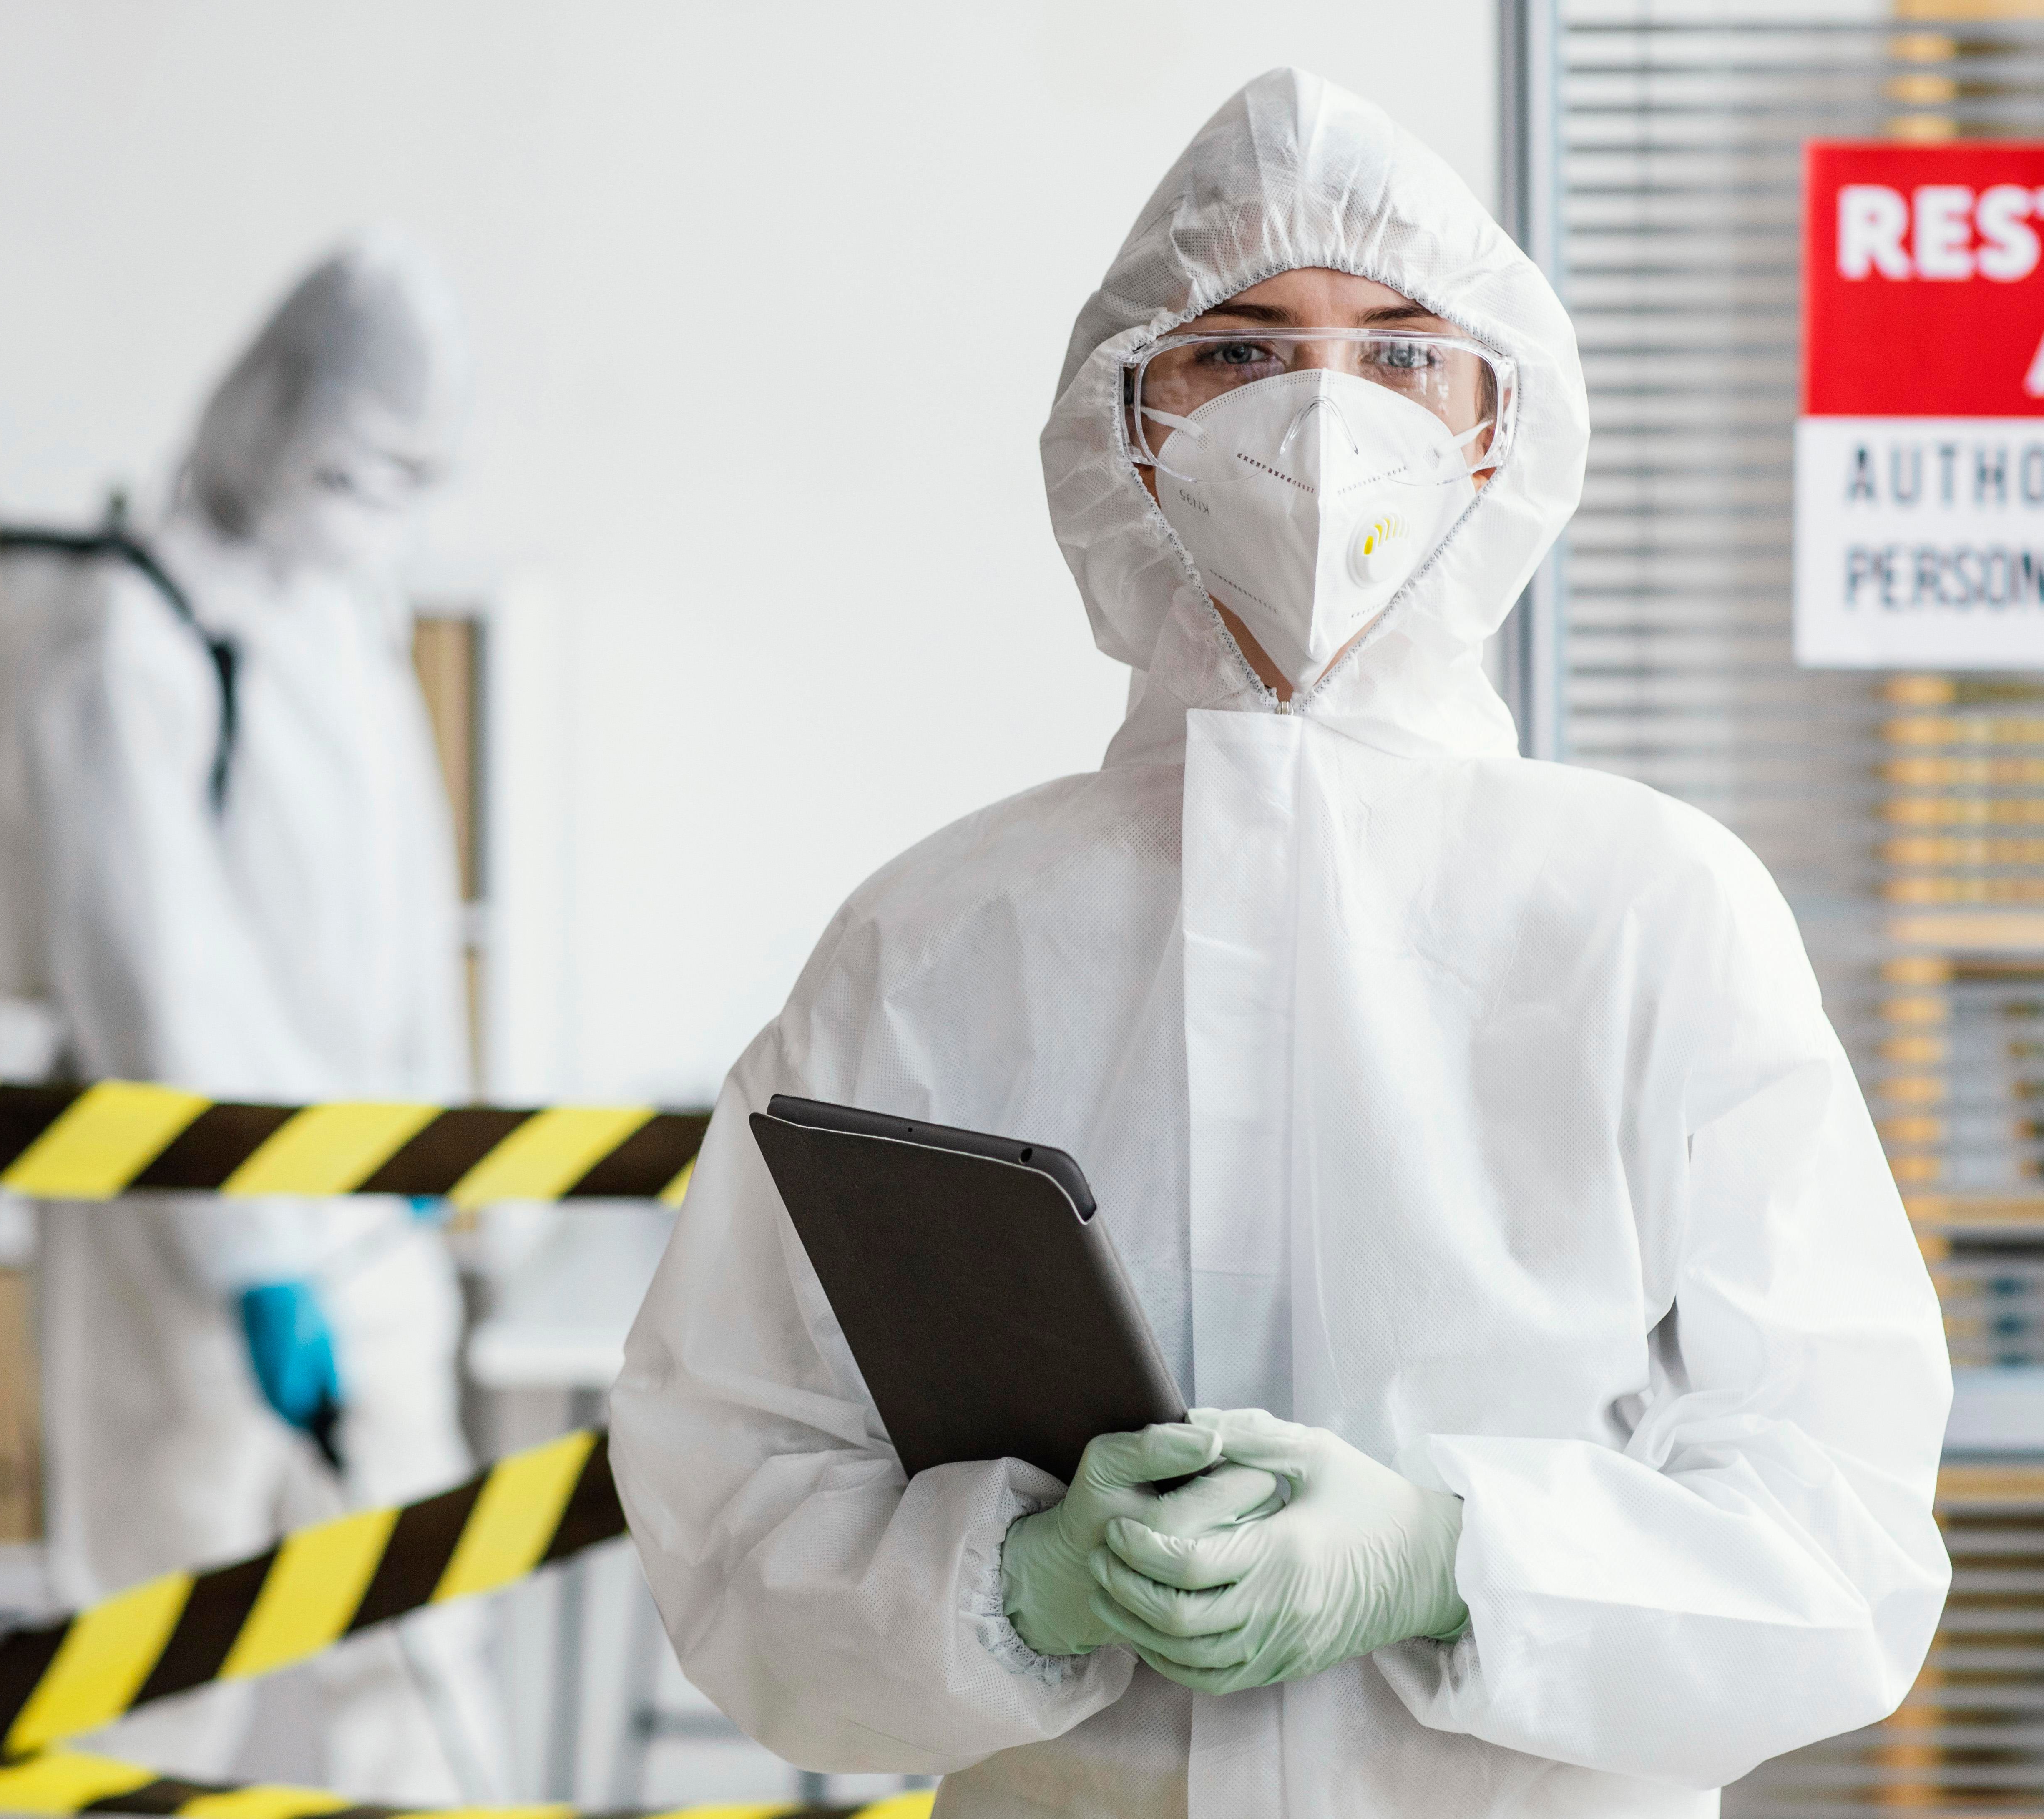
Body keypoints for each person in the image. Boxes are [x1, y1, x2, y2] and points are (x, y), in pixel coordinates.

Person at [609, 67, 1951, 1819]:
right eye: (1239, 351)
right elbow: (735, 1492)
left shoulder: (1652, 908)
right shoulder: (930, 939)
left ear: (1493, 424)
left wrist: (1451, 1560)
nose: (1323, 418)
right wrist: (1016, 1587)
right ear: (1129, 421)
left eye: (1398, 352)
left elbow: (1838, 1537)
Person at [0, 231, 498, 1796]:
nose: (374, 509)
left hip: (370, 1213)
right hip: (186, 1245)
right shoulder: (127, 641)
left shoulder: (343, 615)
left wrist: (429, 1123)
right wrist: (258, 1257)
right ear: (273, 416)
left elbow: (399, 898)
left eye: (410, 476)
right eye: (354, 466)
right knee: (151, 1647)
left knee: (423, 1636)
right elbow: (156, 980)